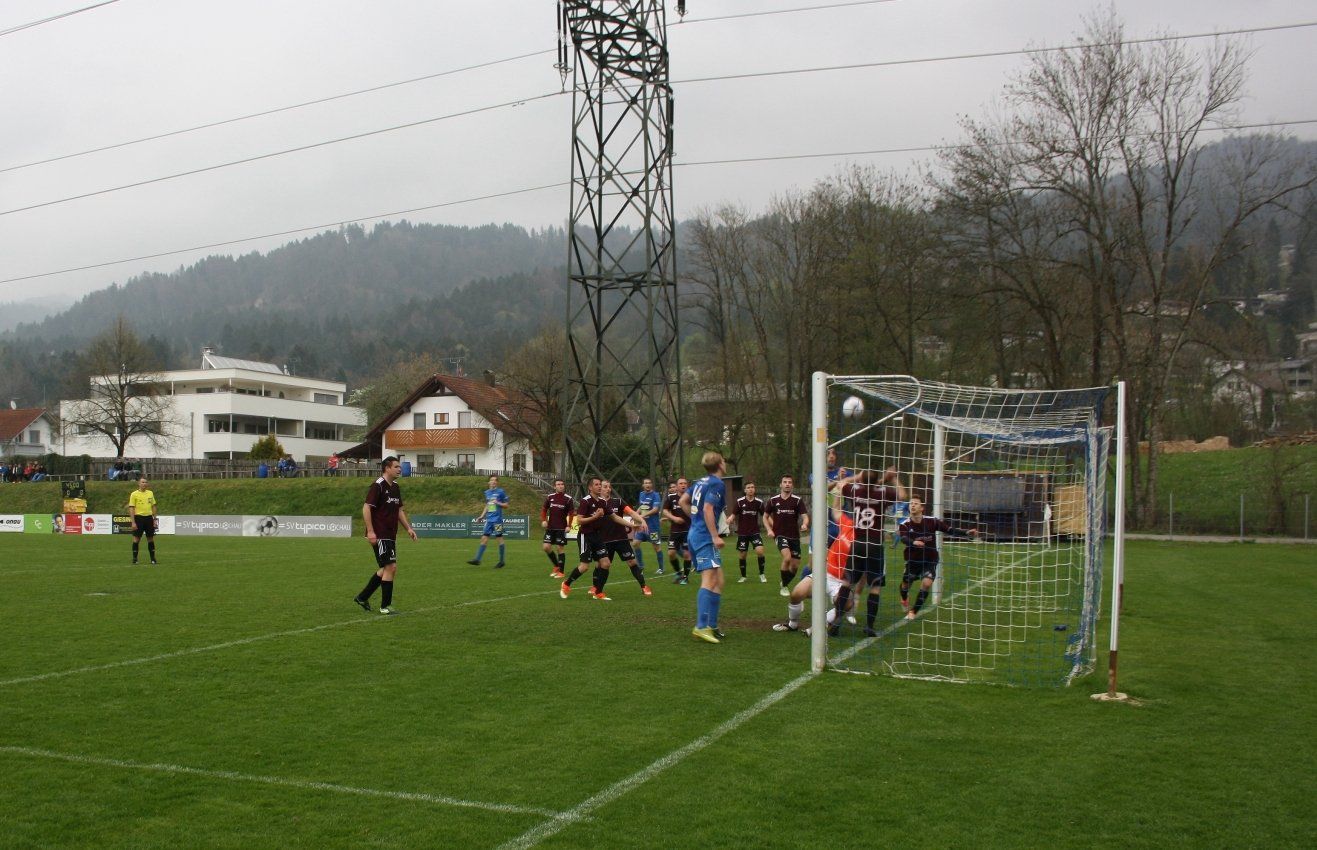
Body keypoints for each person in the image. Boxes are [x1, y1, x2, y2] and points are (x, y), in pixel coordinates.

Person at [830, 467, 908, 637]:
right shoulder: (883, 493)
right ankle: (870, 626)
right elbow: (903, 495)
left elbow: (841, 484)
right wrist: (892, 478)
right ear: (876, 481)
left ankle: (837, 619)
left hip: (857, 543)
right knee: (875, 586)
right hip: (875, 545)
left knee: (847, 582)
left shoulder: (855, 491)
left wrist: (855, 477)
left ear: (861, 480)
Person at [353, 456, 417, 615]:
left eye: (399, 467)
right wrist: (370, 531)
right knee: (391, 567)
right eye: (396, 466)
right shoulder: (378, 485)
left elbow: (399, 510)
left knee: (386, 568)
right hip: (379, 533)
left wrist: (408, 528)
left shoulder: (395, 487)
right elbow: (366, 508)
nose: (399, 469)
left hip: (390, 534)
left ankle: (362, 597)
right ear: (387, 468)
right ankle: (385, 606)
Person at [897, 495, 978, 620]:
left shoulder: (932, 521)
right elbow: (903, 538)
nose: (912, 505)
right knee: (905, 586)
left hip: (930, 559)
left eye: (916, 503)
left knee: (927, 583)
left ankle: (913, 612)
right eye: (911, 503)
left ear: (922, 508)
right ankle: (904, 598)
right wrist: (913, 542)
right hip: (913, 560)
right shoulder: (905, 524)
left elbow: (949, 530)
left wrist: (966, 533)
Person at [560, 477, 633, 600]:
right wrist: (595, 517)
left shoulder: (603, 502)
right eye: (596, 484)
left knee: (606, 563)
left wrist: (631, 525)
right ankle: (566, 584)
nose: (599, 486)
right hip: (585, 536)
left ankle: (598, 592)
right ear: (590, 487)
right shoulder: (585, 501)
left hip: (597, 536)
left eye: (600, 484)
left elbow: (615, 517)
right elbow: (579, 520)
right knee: (584, 567)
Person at [684, 451, 728, 644]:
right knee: (709, 580)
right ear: (720, 464)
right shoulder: (717, 483)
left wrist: (695, 520)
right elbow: (708, 509)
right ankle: (701, 627)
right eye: (724, 461)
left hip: (695, 533)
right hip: (704, 537)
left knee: (719, 580)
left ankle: (712, 625)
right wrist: (715, 535)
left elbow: (683, 501)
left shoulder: (699, 482)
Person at [601, 480, 652, 596]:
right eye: (605, 487)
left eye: (609, 487)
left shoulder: (618, 502)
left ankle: (644, 586)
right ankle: (596, 588)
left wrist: (642, 520)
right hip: (605, 540)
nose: (608, 489)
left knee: (632, 562)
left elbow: (632, 513)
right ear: (600, 489)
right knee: (602, 565)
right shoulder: (597, 503)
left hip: (621, 539)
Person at [764, 474, 809, 597]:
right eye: (785, 482)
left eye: (789, 482)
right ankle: (784, 587)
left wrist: (805, 524)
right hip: (780, 535)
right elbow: (765, 517)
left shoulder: (797, 500)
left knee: (794, 566)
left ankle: (784, 582)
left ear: (792, 485)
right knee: (787, 558)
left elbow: (805, 516)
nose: (787, 484)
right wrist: (769, 530)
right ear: (781, 484)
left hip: (794, 536)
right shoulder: (773, 500)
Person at [467, 474, 510, 568]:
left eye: (495, 480)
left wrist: (498, 502)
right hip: (489, 520)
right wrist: (482, 516)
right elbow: (487, 505)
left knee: (499, 538)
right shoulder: (487, 492)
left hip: (497, 520)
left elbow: (506, 505)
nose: (493, 481)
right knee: (484, 538)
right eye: (491, 480)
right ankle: (477, 559)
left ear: (497, 482)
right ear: (489, 482)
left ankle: (501, 561)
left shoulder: (501, 492)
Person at [729, 481, 768, 583]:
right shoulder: (740, 502)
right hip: (743, 533)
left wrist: (773, 526)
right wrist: (730, 519)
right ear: (745, 490)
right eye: (748, 487)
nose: (751, 489)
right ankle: (743, 576)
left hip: (755, 532)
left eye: (752, 487)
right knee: (742, 555)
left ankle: (762, 574)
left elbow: (765, 516)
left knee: (760, 551)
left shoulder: (759, 502)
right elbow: (733, 514)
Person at [541, 478, 575, 578]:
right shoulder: (550, 497)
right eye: (558, 484)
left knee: (559, 548)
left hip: (561, 527)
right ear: (554, 486)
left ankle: (561, 572)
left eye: (562, 484)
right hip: (550, 527)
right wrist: (544, 520)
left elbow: (571, 513)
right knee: (546, 547)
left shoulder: (568, 499)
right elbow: (544, 509)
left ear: (564, 486)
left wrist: (569, 525)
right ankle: (556, 566)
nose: (560, 486)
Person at [662, 477, 692, 584]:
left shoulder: (691, 497)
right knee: (671, 553)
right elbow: (665, 510)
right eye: (681, 483)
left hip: (688, 530)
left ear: (687, 485)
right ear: (677, 486)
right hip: (675, 531)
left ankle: (685, 577)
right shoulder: (671, 497)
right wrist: (674, 518)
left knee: (687, 554)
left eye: (685, 483)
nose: (683, 485)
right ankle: (678, 573)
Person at [632, 477, 665, 573]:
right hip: (642, 526)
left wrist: (642, 516)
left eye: (649, 483)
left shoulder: (655, 495)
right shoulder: (641, 494)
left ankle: (661, 568)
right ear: (643, 485)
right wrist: (635, 514)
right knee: (635, 543)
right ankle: (640, 566)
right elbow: (641, 506)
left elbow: (655, 509)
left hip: (653, 527)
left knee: (656, 547)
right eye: (646, 483)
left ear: (652, 485)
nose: (648, 484)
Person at [127, 476, 159, 565]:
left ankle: (153, 559)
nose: (144, 484)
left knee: (150, 538)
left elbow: (153, 506)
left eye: (146, 482)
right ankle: (135, 559)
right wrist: (133, 522)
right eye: (143, 482)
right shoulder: (134, 494)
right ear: (139, 483)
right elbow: (131, 508)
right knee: (136, 539)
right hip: (138, 518)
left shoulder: (150, 493)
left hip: (149, 518)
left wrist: (154, 519)